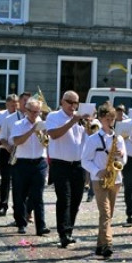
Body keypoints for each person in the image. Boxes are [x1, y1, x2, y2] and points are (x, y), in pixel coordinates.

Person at [81, 103, 127, 258]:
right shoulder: (93, 139)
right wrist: (97, 171)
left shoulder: (118, 138)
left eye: (112, 118)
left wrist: (121, 155)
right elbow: (85, 160)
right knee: (105, 213)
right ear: (100, 119)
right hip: (99, 179)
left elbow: (124, 159)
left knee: (108, 214)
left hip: (115, 179)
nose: (111, 121)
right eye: (108, 118)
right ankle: (108, 244)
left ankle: (99, 245)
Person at [45, 91, 89, 249]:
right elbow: (54, 135)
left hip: (78, 165)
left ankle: (69, 230)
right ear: (62, 101)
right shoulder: (53, 116)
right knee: (64, 198)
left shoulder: (80, 119)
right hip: (60, 164)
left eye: (75, 102)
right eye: (69, 102)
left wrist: (89, 126)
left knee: (76, 200)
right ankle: (63, 234)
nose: (73, 105)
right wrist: (72, 121)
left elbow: (88, 139)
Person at [10, 97, 51, 236]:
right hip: (22, 163)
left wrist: (46, 135)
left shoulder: (43, 124)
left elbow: (47, 143)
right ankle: (21, 223)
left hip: (39, 162)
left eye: (37, 112)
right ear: (26, 111)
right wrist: (32, 130)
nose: (35, 115)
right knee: (19, 195)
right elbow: (16, 141)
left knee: (38, 195)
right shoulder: (18, 124)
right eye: (32, 112)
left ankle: (41, 226)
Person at [0, 94, 21, 216]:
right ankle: (3, 206)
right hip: (4, 150)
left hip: (18, 150)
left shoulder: (21, 115)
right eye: (12, 104)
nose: (15, 106)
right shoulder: (0, 115)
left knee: (18, 180)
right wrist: (1, 127)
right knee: (5, 179)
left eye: (16, 103)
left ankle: (18, 207)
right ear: (7, 104)